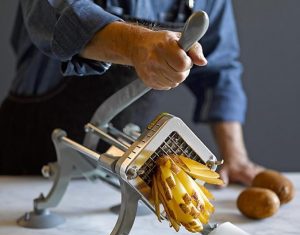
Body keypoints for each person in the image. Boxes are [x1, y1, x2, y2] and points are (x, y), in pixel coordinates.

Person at [0, 0, 262, 185]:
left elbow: (220, 69)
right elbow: (57, 13)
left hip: (121, 171)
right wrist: (136, 44)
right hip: (29, 163)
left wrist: (235, 155)